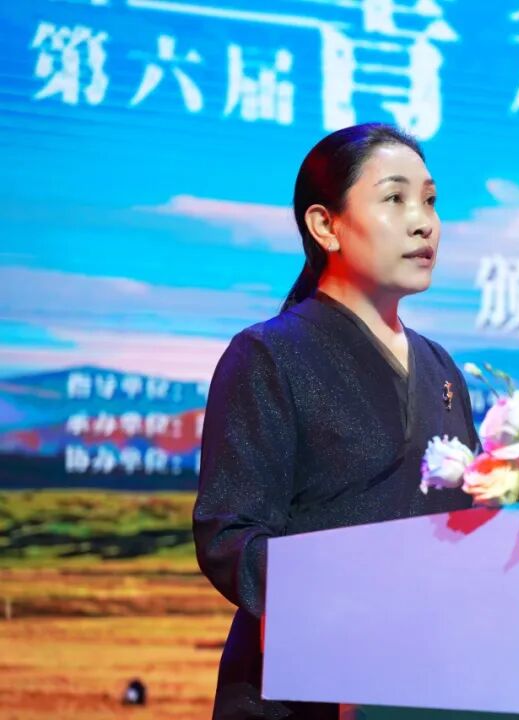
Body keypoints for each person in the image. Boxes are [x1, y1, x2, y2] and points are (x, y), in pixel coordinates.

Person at [193, 123, 478, 720]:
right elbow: (230, 536)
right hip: (303, 694)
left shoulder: (441, 367)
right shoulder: (269, 354)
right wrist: (349, 603)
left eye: (430, 201)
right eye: (395, 198)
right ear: (326, 226)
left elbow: (467, 524)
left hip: (426, 683)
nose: (424, 222)